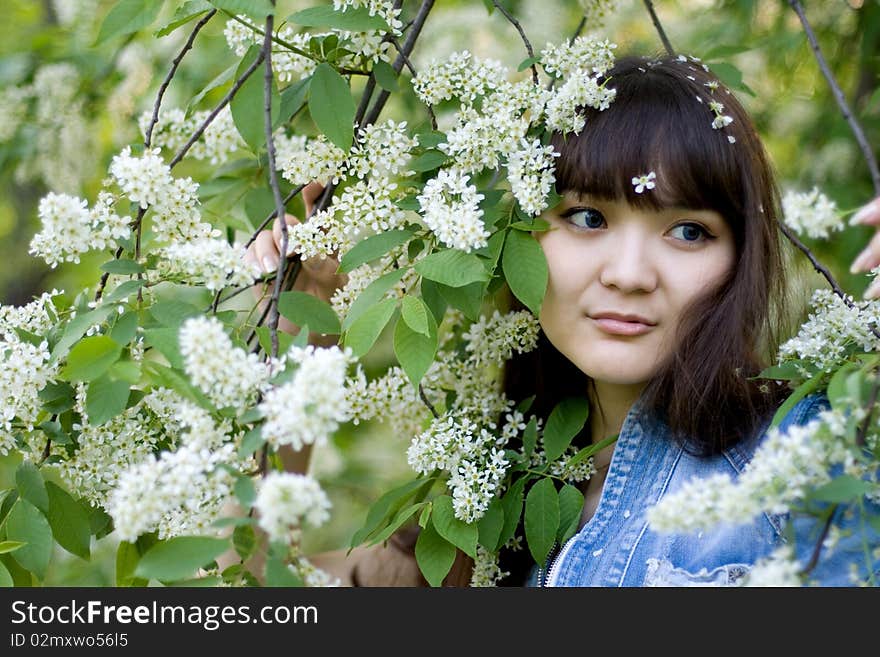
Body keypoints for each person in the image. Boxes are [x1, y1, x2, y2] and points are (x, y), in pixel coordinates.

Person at [243, 53, 880, 586]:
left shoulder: (809, 455)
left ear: (741, 260)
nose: (629, 273)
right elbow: (250, 583)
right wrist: (312, 311)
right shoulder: (487, 501)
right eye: (587, 218)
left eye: (688, 231)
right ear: (516, 238)